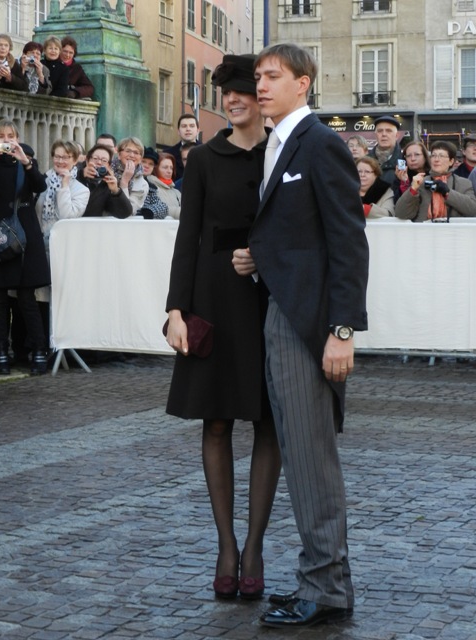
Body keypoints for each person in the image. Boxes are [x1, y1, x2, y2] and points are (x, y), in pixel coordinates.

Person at [233, 43, 369, 628]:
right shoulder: (278, 145)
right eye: (258, 76)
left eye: (273, 76)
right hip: (282, 312)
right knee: (300, 452)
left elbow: (347, 244)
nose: (260, 85)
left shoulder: (320, 144)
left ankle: (326, 589)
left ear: (302, 84)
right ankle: (323, 581)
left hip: (308, 325)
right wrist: (257, 257)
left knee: (311, 457)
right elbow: (298, 235)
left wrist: (341, 331)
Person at [164, 54, 281, 601]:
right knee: (215, 422)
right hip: (212, 295)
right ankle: (226, 547)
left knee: (267, 421)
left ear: (262, 97)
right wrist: (174, 310)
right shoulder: (205, 158)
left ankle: (254, 548)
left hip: (269, 299)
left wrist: (262, 256)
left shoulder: (282, 152)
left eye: (243, 91)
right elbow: (186, 238)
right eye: (226, 94)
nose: (233, 100)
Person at [0, 119, 50, 375]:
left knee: (27, 299)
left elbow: (40, 186)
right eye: (1, 135)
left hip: (24, 236)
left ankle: (39, 351)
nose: (6, 140)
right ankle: (1, 353)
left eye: (10, 135)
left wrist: (25, 161)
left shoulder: (26, 163)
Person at [35, 140, 89, 338]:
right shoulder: (41, 181)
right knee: (39, 298)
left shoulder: (81, 190)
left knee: (59, 298)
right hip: (40, 247)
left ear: (74, 160)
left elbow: (68, 217)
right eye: (57, 156)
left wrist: (64, 186)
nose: (60, 161)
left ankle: (58, 343)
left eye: (66, 157)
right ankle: (39, 344)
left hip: (63, 250)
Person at [394, 140, 476, 222]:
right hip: (424, 232)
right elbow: (401, 214)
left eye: (441, 156)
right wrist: (413, 189)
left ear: (451, 161)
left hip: (452, 232)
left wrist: (448, 193)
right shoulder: (420, 182)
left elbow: (472, 210)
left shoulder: (463, 183)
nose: (436, 160)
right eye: (433, 156)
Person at [77, 143, 132, 218]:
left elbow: (124, 213)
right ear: (87, 160)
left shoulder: (106, 184)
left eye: (104, 160)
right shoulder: (75, 173)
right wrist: (81, 175)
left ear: (108, 165)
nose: (99, 162)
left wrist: (115, 191)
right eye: (95, 158)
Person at [112, 137, 148, 215]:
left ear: (141, 159)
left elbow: (129, 211)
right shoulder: (108, 172)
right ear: (119, 154)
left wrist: (124, 182)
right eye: (128, 151)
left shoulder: (142, 184)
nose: (131, 155)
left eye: (136, 153)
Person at [369, 115, 404, 186]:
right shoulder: (365, 161)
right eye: (380, 131)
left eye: (388, 131)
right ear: (375, 135)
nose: (384, 134)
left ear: (397, 135)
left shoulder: (405, 160)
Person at [163, 113, 201, 180]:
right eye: (184, 126)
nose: (188, 129)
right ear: (178, 131)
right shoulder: (168, 154)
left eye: (192, 126)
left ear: (198, 130)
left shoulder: (208, 152)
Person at [137, 147, 169, 219]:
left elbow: (164, 208)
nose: (147, 166)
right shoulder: (126, 180)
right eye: (144, 161)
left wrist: (149, 211)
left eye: (151, 164)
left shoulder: (151, 188)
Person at [60, 36, 94, 100]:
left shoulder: (77, 69)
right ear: (60, 51)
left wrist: (75, 92)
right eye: (65, 51)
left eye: (71, 53)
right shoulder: (53, 64)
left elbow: (89, 88)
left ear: (74, 54)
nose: (67, 55)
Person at [152, 152, 181, 219]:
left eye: (171, 168)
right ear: (156, 169)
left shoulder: (176, 192)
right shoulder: (151, 188)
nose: (169, 171)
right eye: (165, 167)